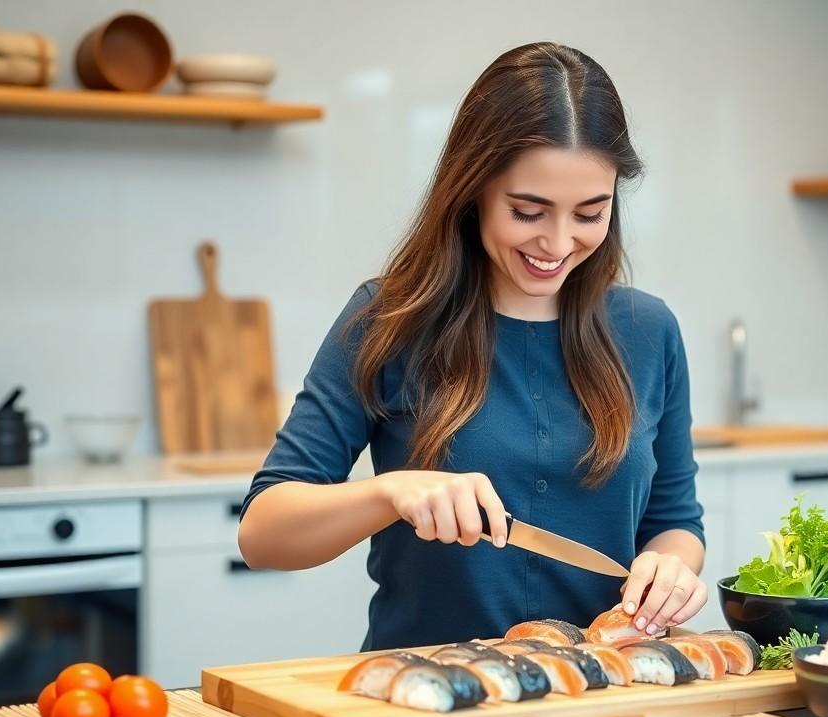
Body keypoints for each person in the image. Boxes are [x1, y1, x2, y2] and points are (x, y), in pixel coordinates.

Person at [238, 42, 705, 651]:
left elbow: (674, 523)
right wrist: (391, 492)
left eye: (590, 213)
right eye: (528, 210)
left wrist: (671, 568)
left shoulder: (649, 331)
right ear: (473, 187)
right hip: (429, 695)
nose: (558, 242)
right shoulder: (390, 318)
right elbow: (263, 532)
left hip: (601, 695)